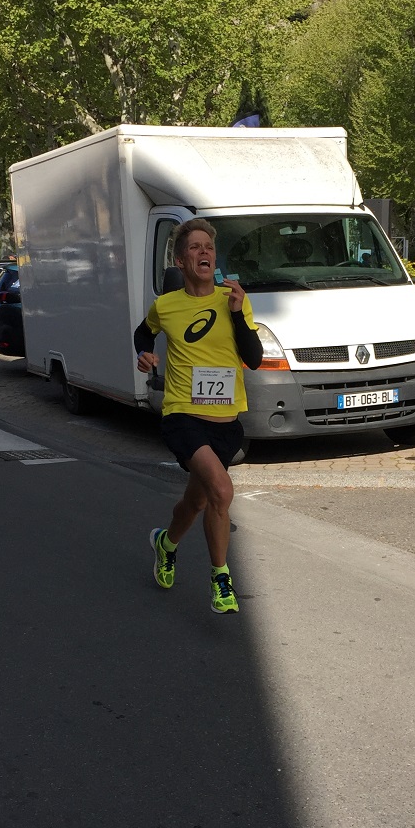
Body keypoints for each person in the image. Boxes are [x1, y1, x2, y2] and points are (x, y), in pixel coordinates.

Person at [134, 219, 263, 615]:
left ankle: (166, 543)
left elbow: (254, 360)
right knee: (222, 491)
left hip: (226, 423)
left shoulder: (233, 299)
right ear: (180, 259)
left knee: (198, 502)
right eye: (195, 247)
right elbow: (143, 333)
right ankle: (221, 579)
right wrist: (144, 354)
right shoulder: (167, 305)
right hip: (182, 415)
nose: (204, 253)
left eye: (208, 247)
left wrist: (239, 314)